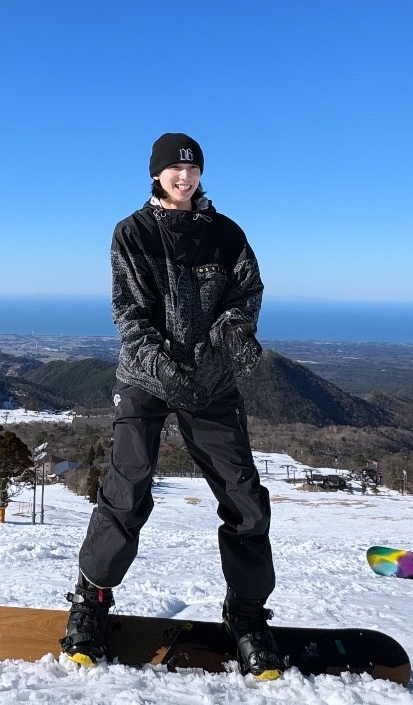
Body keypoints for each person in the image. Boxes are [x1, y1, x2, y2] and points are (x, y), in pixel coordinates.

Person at [61, 133, 282, 679]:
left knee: (244, 499)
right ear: (156, 173)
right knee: (127, 487)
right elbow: (129, 313)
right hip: (147, 378)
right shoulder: (132, 233)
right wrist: (162, 365)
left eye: (193, 168)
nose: (184, 177)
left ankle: (247, 616)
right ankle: (91, 599)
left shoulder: (226, 234)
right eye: (174, 169)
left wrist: (233, 328)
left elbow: (245, 293)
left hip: (210, 383)